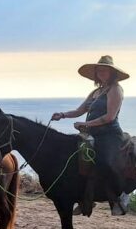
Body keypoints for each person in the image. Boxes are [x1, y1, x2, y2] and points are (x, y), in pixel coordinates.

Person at [51, 55, 130, 216]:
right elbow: (80, 111)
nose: (101, 72)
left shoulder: (116, 89)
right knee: (76, 161)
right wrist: (62, 115)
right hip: (92, 134)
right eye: (99, 70)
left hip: (110, 134)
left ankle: (121, 195)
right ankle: (86, 197)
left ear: (112, 72)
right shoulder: (96, 92)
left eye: (105, 70)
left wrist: (86, 124)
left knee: (106, 162)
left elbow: (109, 117)